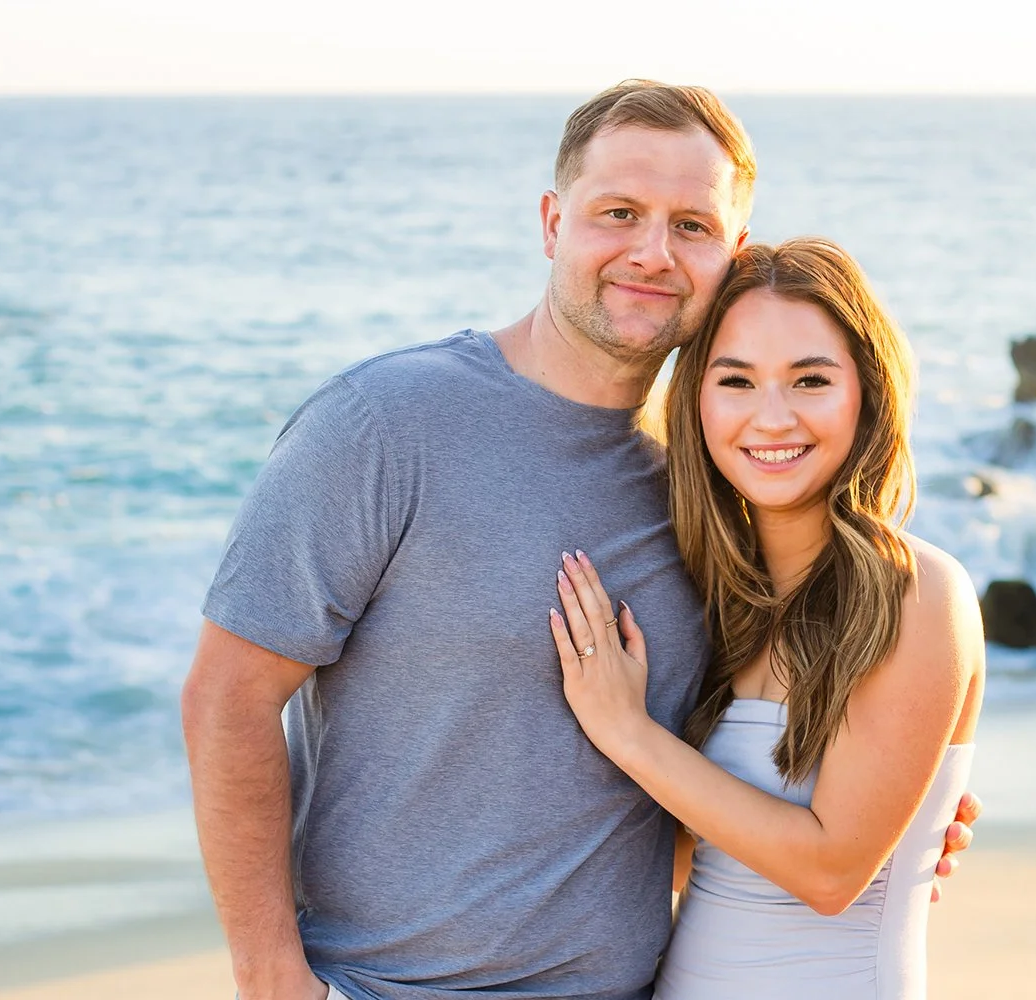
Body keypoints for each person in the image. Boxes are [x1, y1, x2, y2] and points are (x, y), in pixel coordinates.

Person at [180, 81, 979, 1000]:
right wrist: (272, 978)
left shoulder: (708, 490)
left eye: (691, 225)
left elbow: (700, 791)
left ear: (732, 254)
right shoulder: (383, 424)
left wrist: (903, 816)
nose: (651, 252)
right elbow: (227, 697)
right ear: (553, 221)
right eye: (620, 213)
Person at [548, 238, 984, 998]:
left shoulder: (917, 592)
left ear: (866, 393)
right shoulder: (715, 601)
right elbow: (693, 856)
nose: (772, 418)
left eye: (810, 380)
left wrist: (625, 730)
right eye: (737, 381)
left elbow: (829, 872)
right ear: (697, 401)